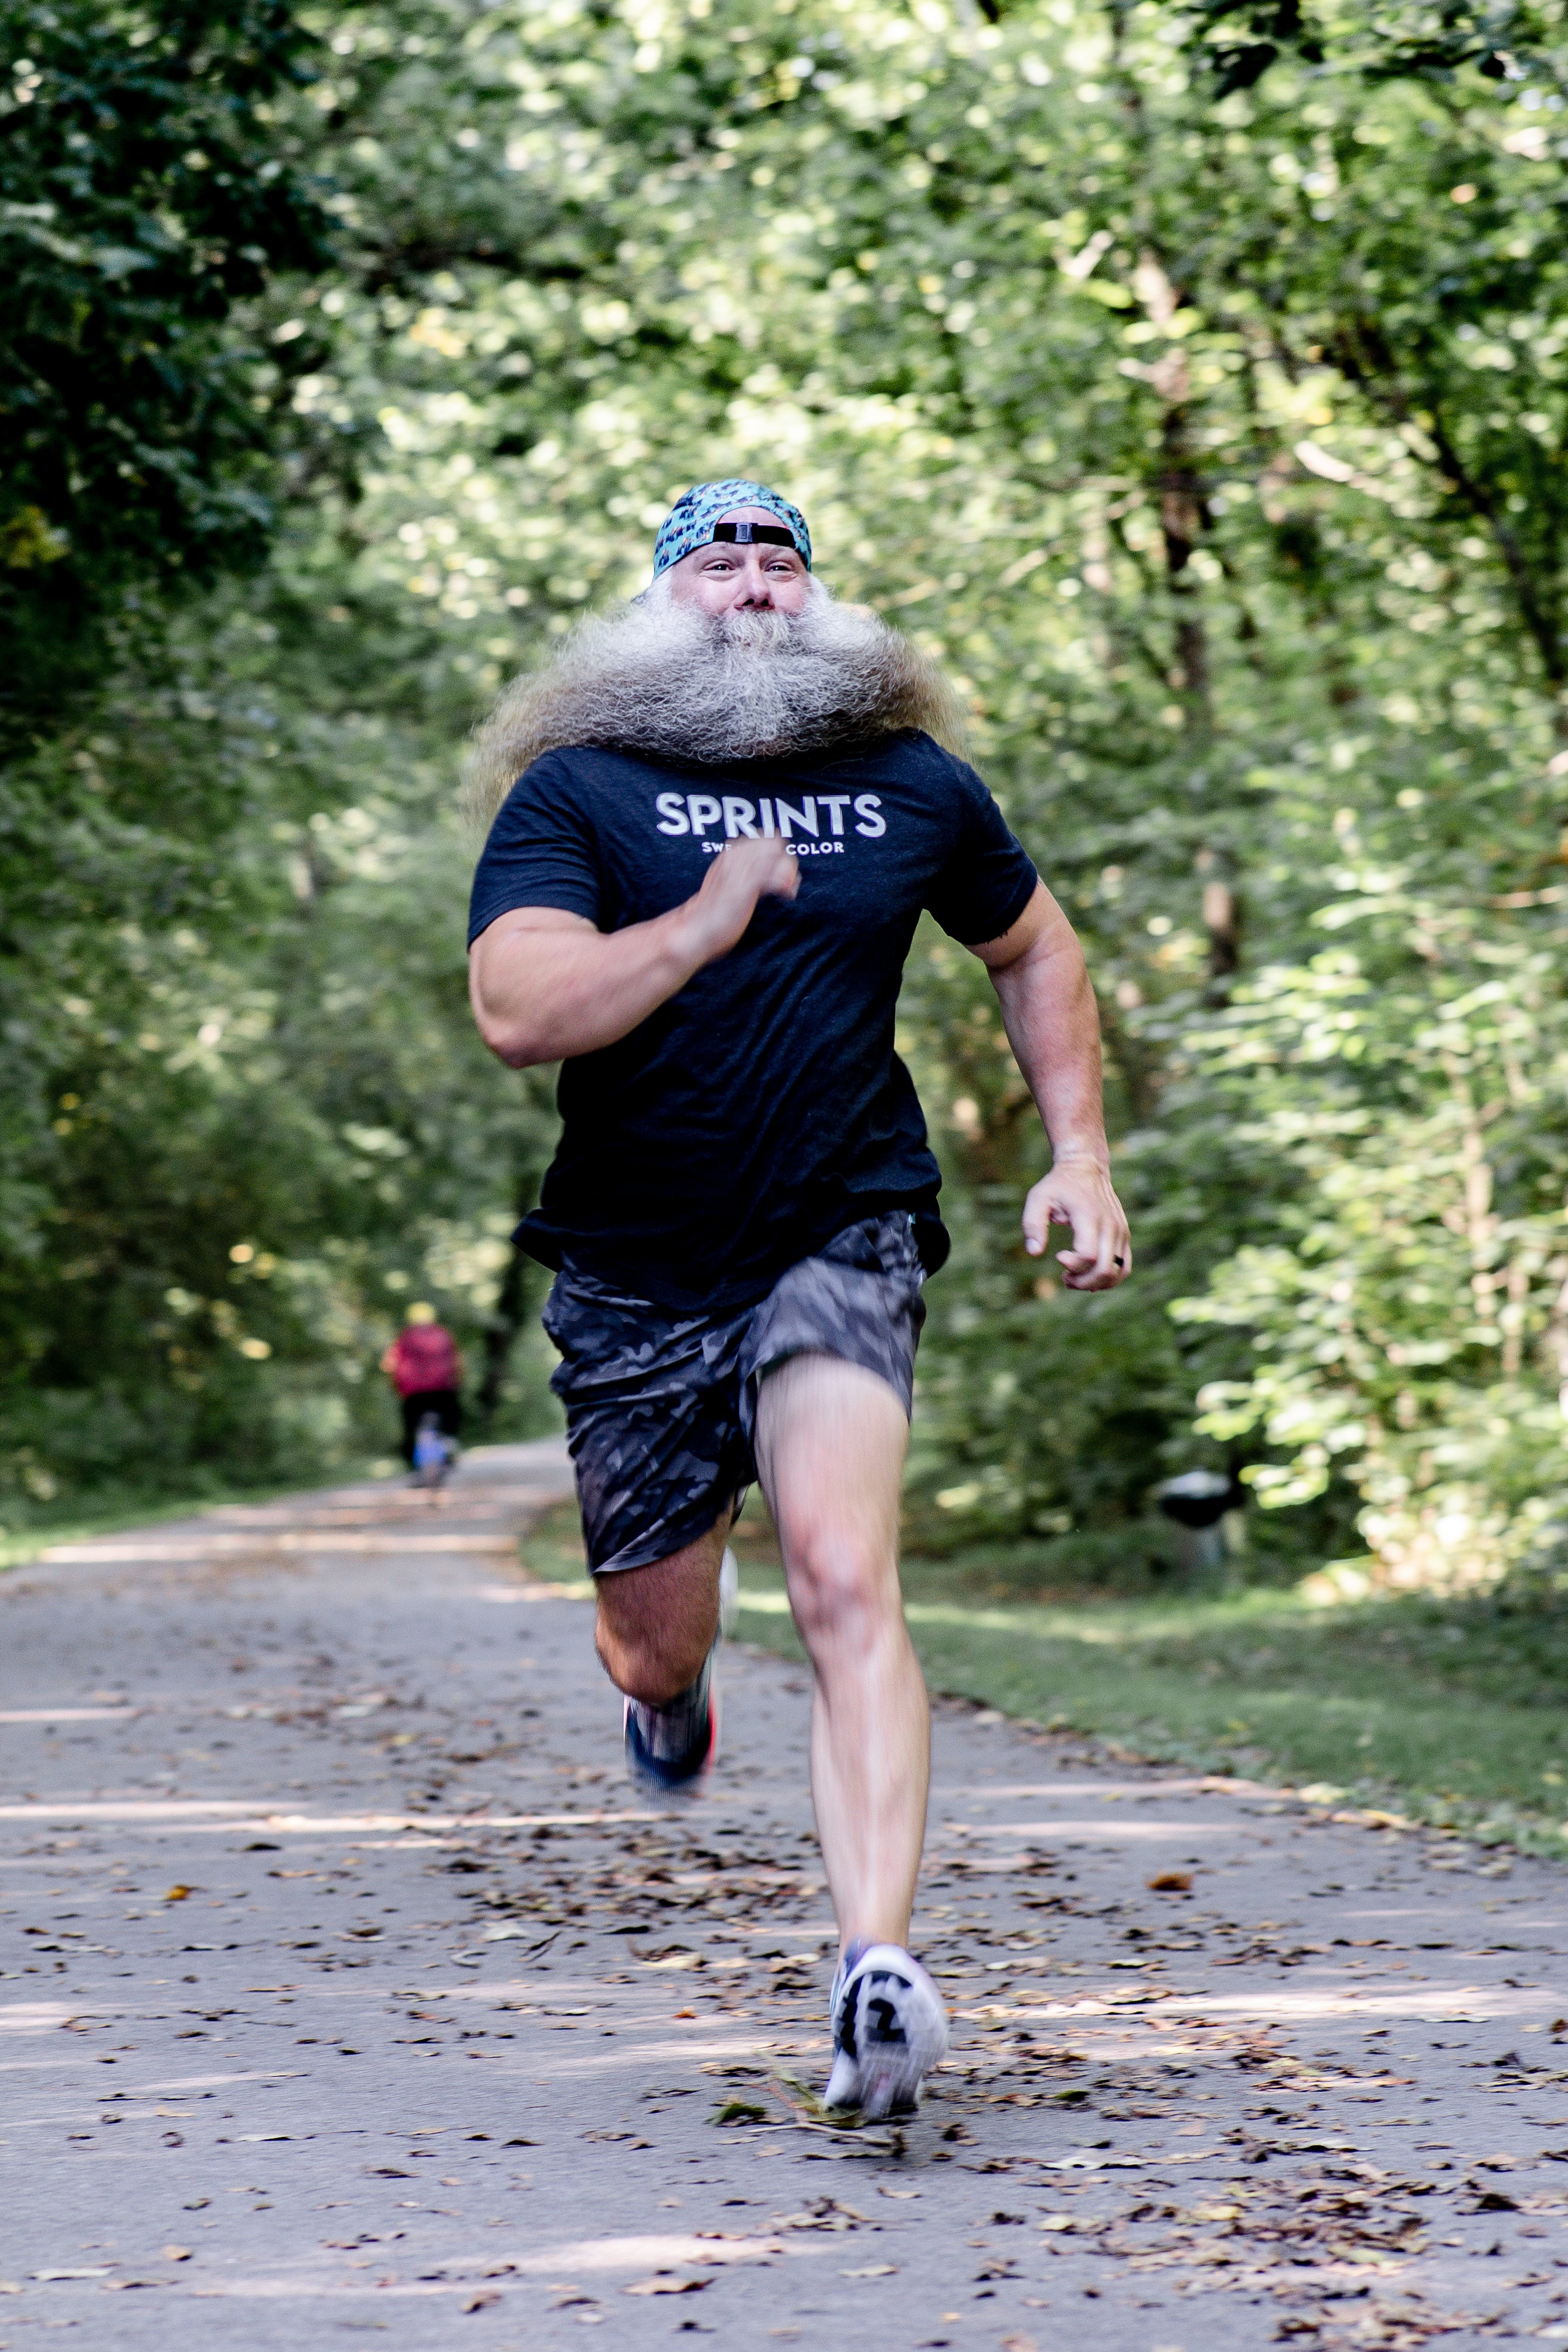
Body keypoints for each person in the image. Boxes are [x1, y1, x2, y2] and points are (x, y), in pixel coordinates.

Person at [464, 478, 1131, 2119]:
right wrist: (694, 926)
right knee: (650, 1646)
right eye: (718, 560)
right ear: (655, 603)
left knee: (843, 1572)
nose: (756, 582)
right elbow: (519, 1010)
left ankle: (872, 1966)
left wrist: (1079, 1152)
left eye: (781, 560)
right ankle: (673, 1696)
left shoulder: (911, 780)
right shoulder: (581, 786)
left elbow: (1032, 948)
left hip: (845, 1223)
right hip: (636, 1264)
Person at [380, 1303, 464, 1470]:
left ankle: (413, 1465)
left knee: (411, 1427)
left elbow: (389, 1365)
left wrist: (396, 1387)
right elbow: (458, 1362)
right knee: (451, 1420)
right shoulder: (444, 1335)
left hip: (413, 1393)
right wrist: (457, 1383)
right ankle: (450, 1445)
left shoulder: (404, 1338)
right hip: (443, 1389)